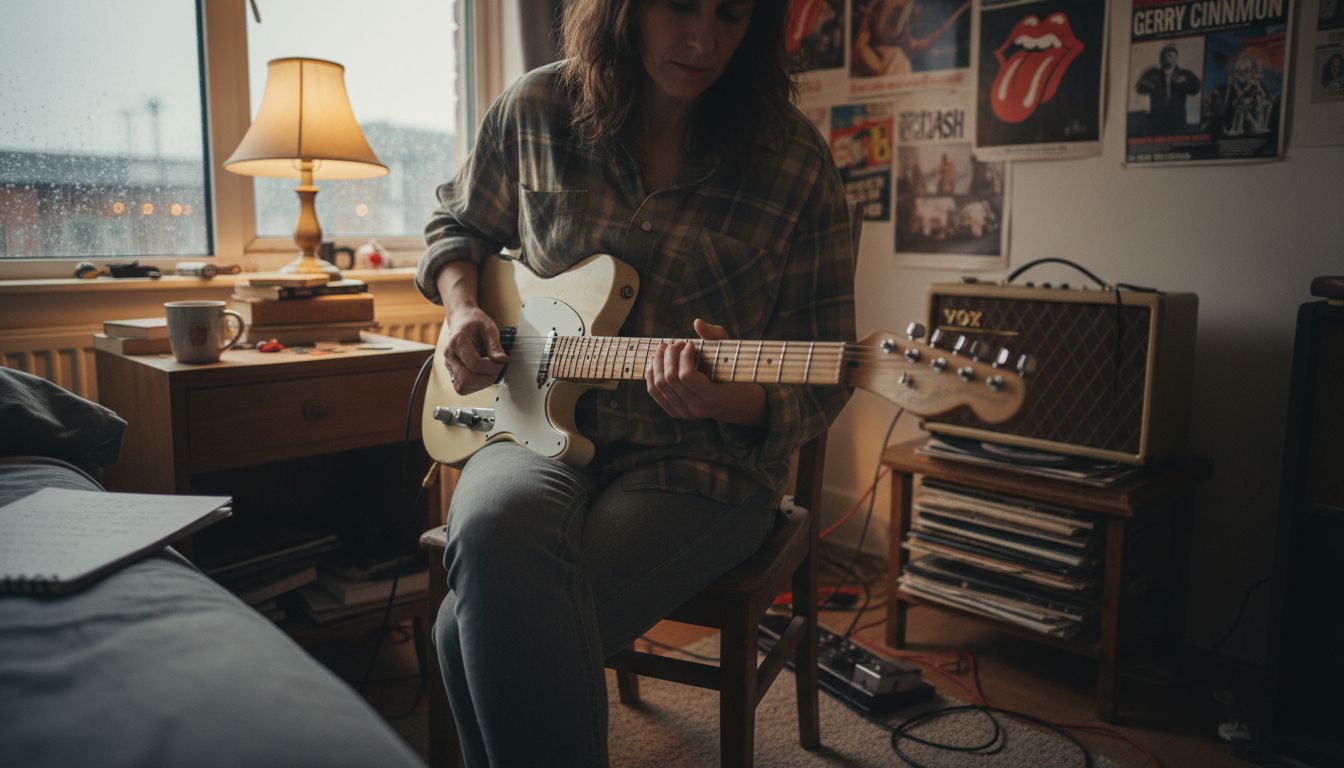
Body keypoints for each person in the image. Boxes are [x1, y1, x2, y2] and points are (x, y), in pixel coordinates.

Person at [416, 1, 856, 765]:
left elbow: (826, 367)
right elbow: (458, 228)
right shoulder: (536, 108)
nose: (702, 40)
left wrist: (735, 397)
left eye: (730, 15)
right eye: (679, 7)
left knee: (464, 630)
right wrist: (460, 310)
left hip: (701, 462)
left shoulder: (795, 160)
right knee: (488, 526)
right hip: (529, 423)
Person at [1134, 44, 1201, 134]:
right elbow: (1139, 88)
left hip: (1177, 122)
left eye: (1171, 55)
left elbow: (1196, 89)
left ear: (1176, 58)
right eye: (1165, 55)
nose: (1168, 57)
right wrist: (1147, 84)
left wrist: (1186, 82)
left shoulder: (1185, 74)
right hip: (1157, 122)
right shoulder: (1153, 73)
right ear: (1161, 59)